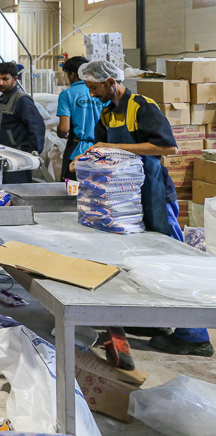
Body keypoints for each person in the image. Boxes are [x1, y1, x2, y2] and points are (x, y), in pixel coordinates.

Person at [78, 60, 213, 358]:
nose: (92, 94)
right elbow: (105, 150)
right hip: (125, 201)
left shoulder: (141, 106)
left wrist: (113, 147)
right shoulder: (107, 113)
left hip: (154, 194)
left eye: (94, 87)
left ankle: (194, 337)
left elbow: (167, 147)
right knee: (141, 260)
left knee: (172, 258)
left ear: (111, 82)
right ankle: (156, 321)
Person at [0, 61, 46, 184]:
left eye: (5, 79)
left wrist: (32, 154)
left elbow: (37, 127)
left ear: (15, 79)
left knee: (16, 192)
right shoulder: (3, 100)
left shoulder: (22, 100)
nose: (0, 83)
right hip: (4, 158)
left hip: (17, 162)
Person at [56, 56, 103, 181]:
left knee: (72, 189)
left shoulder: (67, 94)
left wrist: (60, 134)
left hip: (76, 151)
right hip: (101, 151)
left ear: (73, 74)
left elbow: (64, 128)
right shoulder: (101, 92)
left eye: (67, 74)